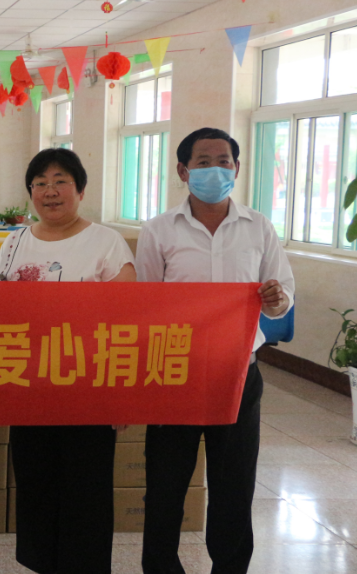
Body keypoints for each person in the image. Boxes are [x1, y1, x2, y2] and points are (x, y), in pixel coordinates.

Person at [138, 128, 293, 574]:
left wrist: (276, 299)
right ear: (183, 170)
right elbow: (144, 303)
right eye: (203, 162)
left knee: (234, 484)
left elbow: (283, 293)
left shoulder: (258, 226)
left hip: (237, 372)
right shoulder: (158, 230)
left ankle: (230, 567)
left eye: (223, 161)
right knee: (165, 484)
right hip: (174, 372)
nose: (215, 170)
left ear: (237, 169)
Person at [0, 148, 136, 574]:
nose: (50, 191)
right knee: (35, 487)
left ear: (81, 190)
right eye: (40, 183)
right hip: (29, 388)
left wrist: (121, 395)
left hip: (88, 391)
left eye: (60, 182)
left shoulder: (106, 242)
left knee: (86, 492)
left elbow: (128, 322)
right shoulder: (15, 242)